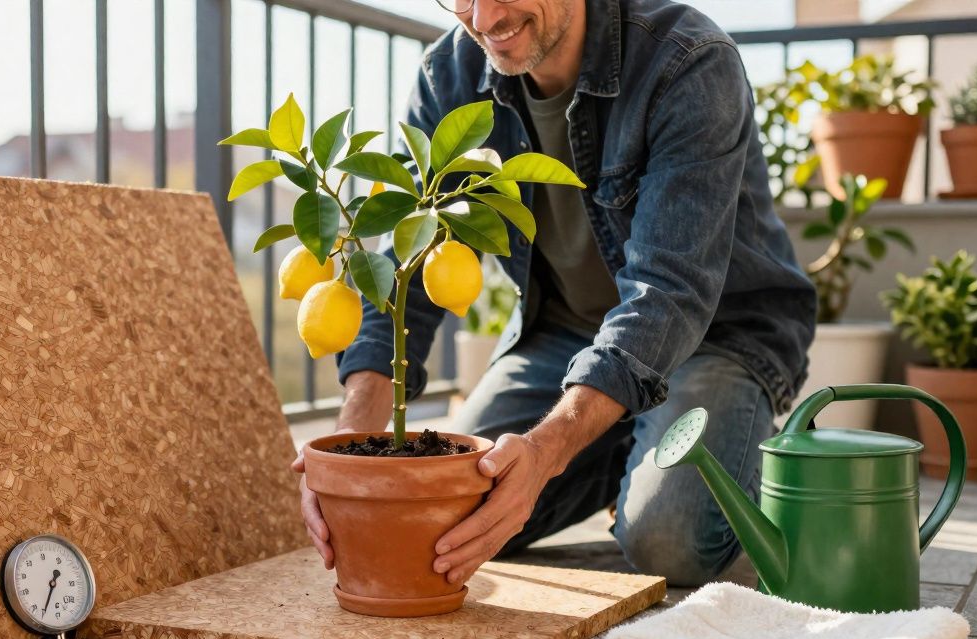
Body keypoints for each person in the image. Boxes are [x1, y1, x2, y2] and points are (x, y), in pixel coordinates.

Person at [292, 0, 816, 587]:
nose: (483, 16)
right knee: (446, 514)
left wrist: (547, 449)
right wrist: (344, 449)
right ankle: (622, 435)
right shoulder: (452, 76)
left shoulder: (687, 61)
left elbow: (670, 290)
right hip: (566, 336)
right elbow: (405, 266)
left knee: (667, 543)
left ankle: (721, 447)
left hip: (714, 336)